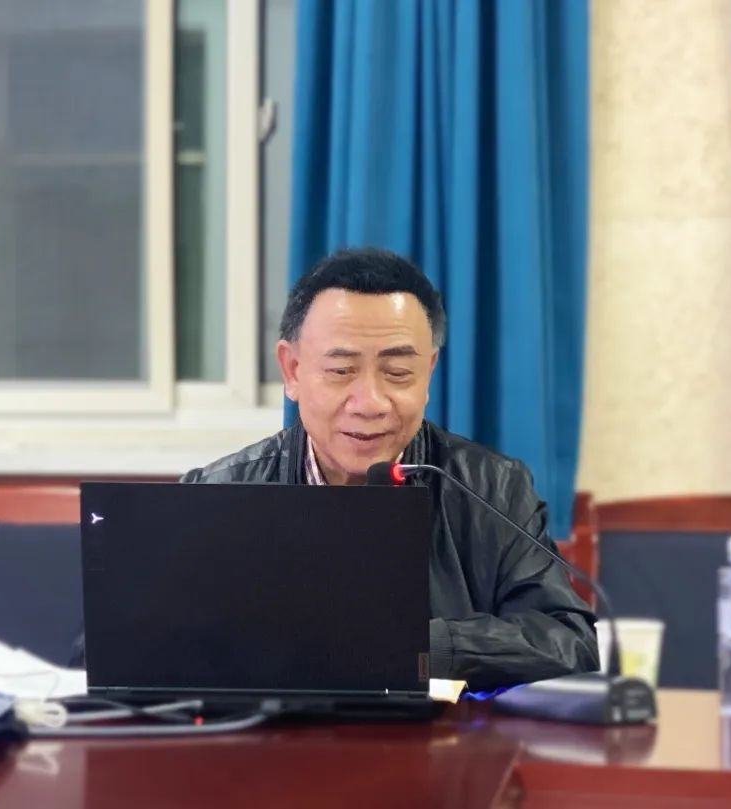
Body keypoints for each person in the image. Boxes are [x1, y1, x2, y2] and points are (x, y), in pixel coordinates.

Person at [74, 247, 599, 692]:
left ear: (429, 372)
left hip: (439, 757)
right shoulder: (216, 492)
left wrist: (413, 646)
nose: (369, 402)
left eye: (398, 372)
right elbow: (104, 655)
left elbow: (568, 642)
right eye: (341, 370)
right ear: (292, 370)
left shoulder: (491, 489)